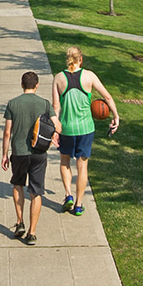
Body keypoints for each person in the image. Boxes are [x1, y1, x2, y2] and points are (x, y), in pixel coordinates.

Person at [52, 45, 120, 217]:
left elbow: (55, 106)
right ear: (80, 59)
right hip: (85, 129)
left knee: (64, 162)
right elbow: (107, 97)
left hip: (66, 128)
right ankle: (79, 204)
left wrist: (55, 128)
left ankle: (68, 194)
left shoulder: (59, 78)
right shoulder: (89, 76)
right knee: (82, 167)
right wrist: (116, 116)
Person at [1, 71, 52, 245]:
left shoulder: (13, 104)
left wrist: (4, 154)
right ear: (37, 85)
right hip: (38, 153)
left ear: (21, 85)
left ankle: (20, 221)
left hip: (19, 152)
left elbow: (8, 131)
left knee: (18, 186)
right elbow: (57, 126)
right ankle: (32, 232)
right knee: (36, 192)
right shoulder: (45, 104)